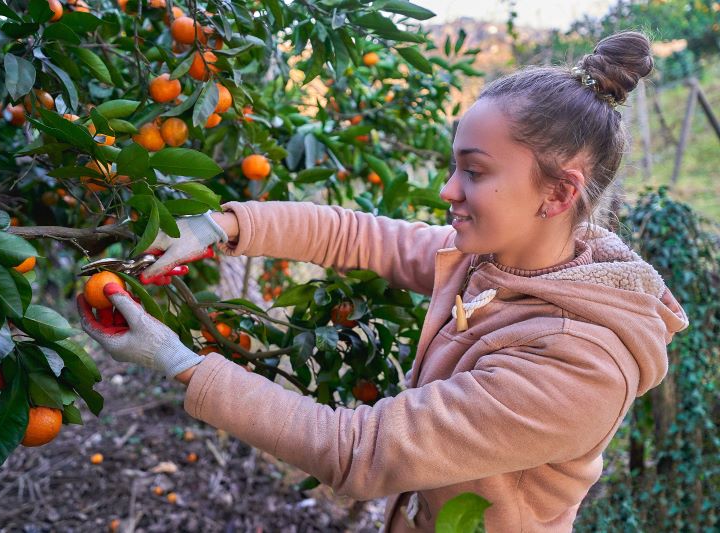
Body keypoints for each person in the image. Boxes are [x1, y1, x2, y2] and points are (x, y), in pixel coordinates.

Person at [77, 31, 689, 532]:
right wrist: (215, 225)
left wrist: (178, 361)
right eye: (455, 166)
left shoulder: (579, 366)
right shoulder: (494, 259)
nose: (448, 191)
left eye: (473, 172)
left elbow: (359, 451)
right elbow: (355, 235)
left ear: (558, 193)